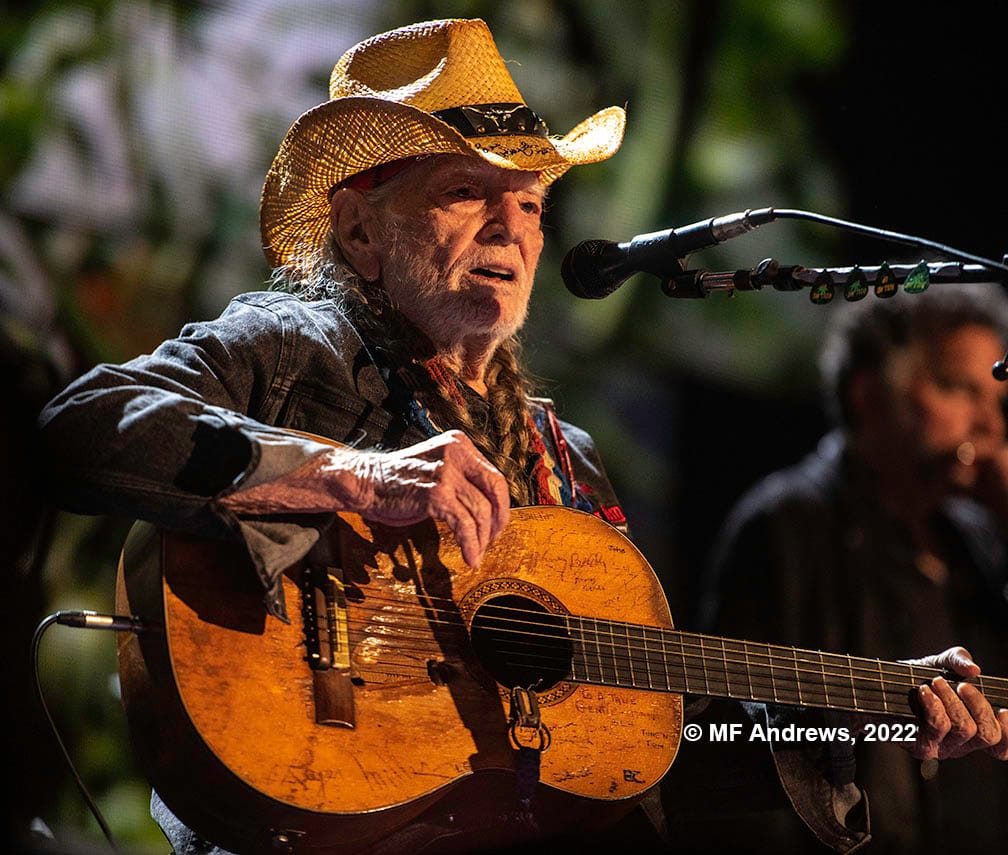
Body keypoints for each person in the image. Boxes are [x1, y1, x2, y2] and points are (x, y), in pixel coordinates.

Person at [37, 18, 1007, 855]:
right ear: (361, 233)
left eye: (532, 203)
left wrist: (882, 715)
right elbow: (77, 428)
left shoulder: (565, 460)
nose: (512, 226)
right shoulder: (292, 349)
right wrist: (350, 476)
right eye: (468, 191)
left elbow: (658, 751)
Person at [698, 282, 1008, 853]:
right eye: (959, 389)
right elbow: (726, 729)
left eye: (996, 400)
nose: (991, 425)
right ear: (869, 394)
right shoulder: (784, 523)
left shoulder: (978, 538)